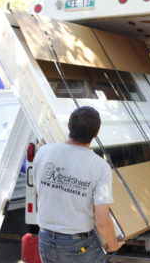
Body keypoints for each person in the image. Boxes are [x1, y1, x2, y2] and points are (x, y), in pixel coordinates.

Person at [33, 106, 124, 263]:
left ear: (69, 125)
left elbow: (39, 189)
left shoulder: (43, 152)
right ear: (96, 133)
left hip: (45, 238)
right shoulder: (100, 167)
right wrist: (114, 245)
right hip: (78, 245)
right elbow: (102, 220)